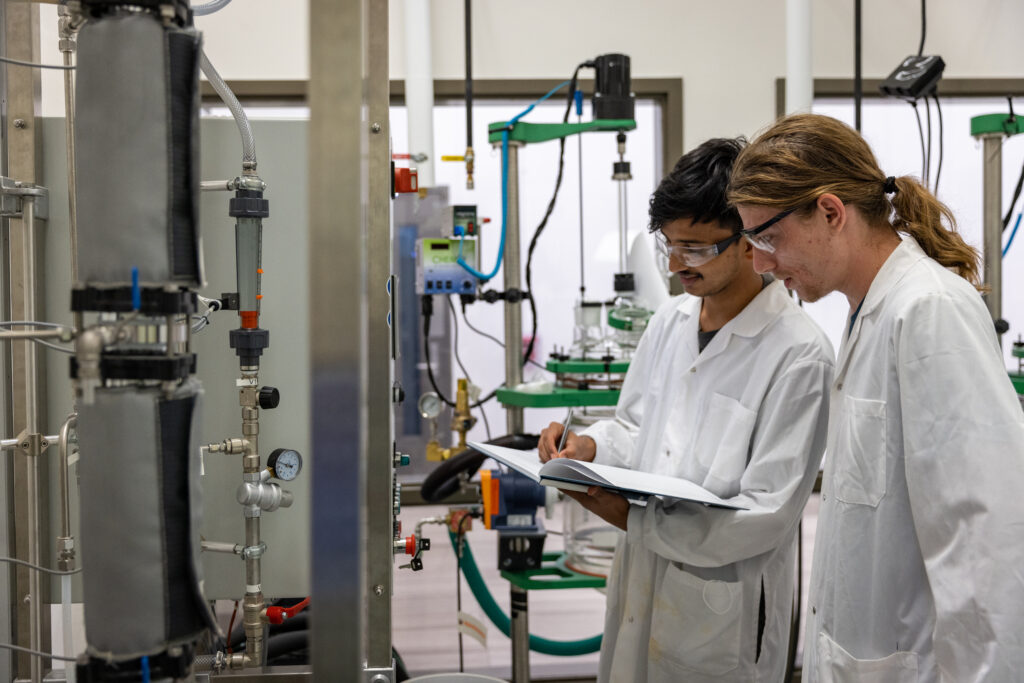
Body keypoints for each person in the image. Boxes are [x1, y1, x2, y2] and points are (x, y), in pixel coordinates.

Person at [728, 112, 1024, 681]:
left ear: (831, 212)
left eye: (767, 237)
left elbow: (986, 542)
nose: (761, 263)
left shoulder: (930, 310)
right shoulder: (869, 311)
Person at [538, 137, 835, 682]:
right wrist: (590, 446)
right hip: (643, 580)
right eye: (668, 245)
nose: (676, 263)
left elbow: (765, 514)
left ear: (749, 241)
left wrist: (635, 520)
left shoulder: (799, 355)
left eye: (695, 248)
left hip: (722, 607)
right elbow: (635, 425)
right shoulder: (669, 323)